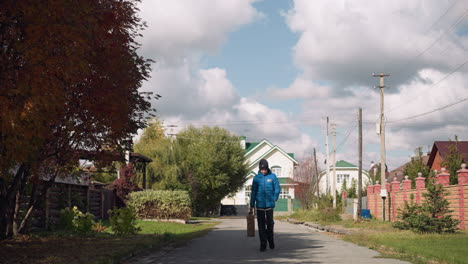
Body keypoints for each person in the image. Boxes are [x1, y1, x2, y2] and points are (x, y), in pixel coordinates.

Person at [249, 159, 280, 252]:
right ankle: (263, 244)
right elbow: (253, 192)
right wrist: (251, 205)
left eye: (265, 169)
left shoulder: (273, 176)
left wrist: (275, 197)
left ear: (267, 168)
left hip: (270, 205)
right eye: (262, 170)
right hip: (260, 205)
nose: (263, 171)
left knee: (270, 224)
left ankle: (270, 240)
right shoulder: (256, 178)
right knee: (261, 225)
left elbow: (277, 188)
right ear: (259, 169)